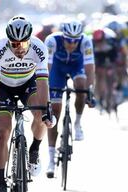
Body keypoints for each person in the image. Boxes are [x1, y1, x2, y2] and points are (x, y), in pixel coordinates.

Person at [0, 16, 53, 192]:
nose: (19, 48)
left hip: (27, 84)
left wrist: (46, 108)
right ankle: (0, 185)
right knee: (3, 131)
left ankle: (34, 150)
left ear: (30, 40)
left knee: (40, 115)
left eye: (23, 43)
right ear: (8, 41)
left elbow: (42, 82)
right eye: (14, 44)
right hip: (3, 87)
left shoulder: (39, 48)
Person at [44, 19, 96, 178]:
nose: (72, 44)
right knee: (54, 112)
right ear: (63, 36)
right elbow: (47, 67)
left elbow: (90, 68)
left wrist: (89, 91)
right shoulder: (52, 41)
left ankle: (78, 123)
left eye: (75, 41)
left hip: (76, 66)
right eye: (69, 40)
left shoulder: (86, 41)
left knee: (81, 85)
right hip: (56, 70)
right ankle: (51, 159)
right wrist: (45, 90)